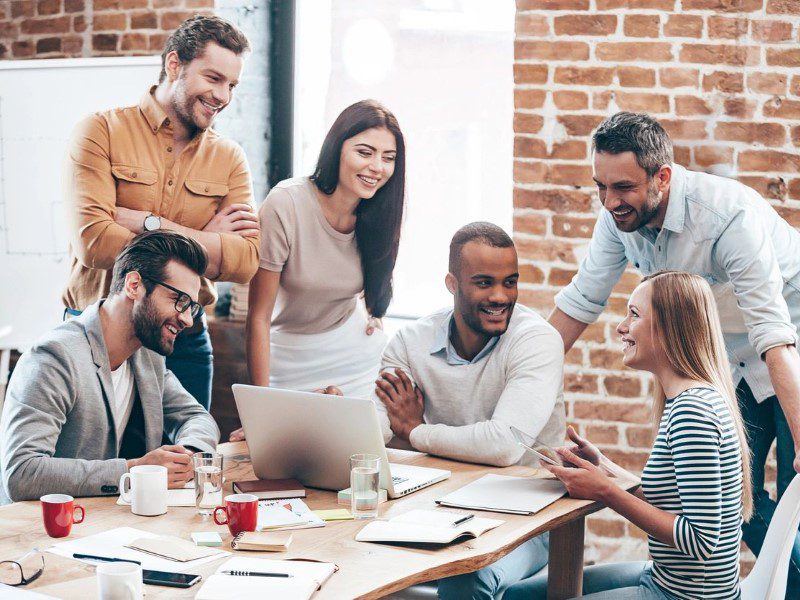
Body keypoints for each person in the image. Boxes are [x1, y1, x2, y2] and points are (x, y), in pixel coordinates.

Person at [547, 111, 800, 596]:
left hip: (788, 352)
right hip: (733, 363)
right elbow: (580, 302)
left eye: (622, 187)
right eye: (600, 186)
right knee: (734, 502)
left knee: (798, 498)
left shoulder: (728, 217)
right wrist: (518, 380)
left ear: (662, 177)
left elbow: (774, 334)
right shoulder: (618, 217)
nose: (609, 201)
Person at [506, 271, 752, 599]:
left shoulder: (694, 412)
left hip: (686, 596)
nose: (622, 327)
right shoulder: (692, 399)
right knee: (519, 596)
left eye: (634, 315)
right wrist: (604, 467)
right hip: (664, 580)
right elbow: (671, 501)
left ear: (670, 327)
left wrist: (605, 491)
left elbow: (701, 542)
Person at [62, 15, 260, 411]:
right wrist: (206, 238)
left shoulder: (229, 159)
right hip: (98, 331)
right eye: (213, 78)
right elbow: (95, 242)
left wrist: (152, 224)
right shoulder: (100, 132)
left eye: (232, 85)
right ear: (174, 65)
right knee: (98, 464)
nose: (223, 96)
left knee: (187, 458)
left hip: (183, 337)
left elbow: (245, 262)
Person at [373, 222, 566, 600]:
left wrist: (415, 433)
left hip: (530, 516)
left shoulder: (537, 340)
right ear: (452, 284)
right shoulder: (410, 342)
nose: (500, 296)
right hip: (432, 506)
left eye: (510, 282)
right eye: (484, 282)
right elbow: (374, 425)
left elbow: (504, 444)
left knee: (470, 576)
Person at [0, 231, 220, 503]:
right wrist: (133, 471)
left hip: (106, 525)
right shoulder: (54, 357)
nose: (187, 319)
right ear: (134, 285)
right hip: (44, 533)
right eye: (180, 301)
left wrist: (185, 456)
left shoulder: (147, 356)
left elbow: (196, 417)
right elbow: (22, 473)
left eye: (192, 308)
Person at [230, 99, 404, 441]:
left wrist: (373, 318)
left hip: (354, 356)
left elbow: (373, 286)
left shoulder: (380, 212)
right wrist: (259, 411)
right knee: (287, 448)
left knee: (361, 450)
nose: (377, 167)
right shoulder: (287, 203)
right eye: (365, 152)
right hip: (290, 356)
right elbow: (258, 317)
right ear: (336, 149)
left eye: (388, 158)